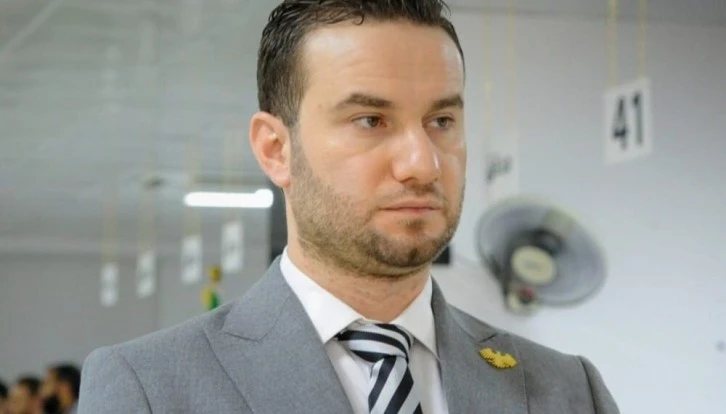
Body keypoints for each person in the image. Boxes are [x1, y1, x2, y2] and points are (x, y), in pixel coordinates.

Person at [78, 1, 619, 413]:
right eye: (370, 120)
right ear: (276, 149)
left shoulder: (567, 390)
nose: (422, 163)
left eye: (442, 121)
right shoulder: (149, 388)